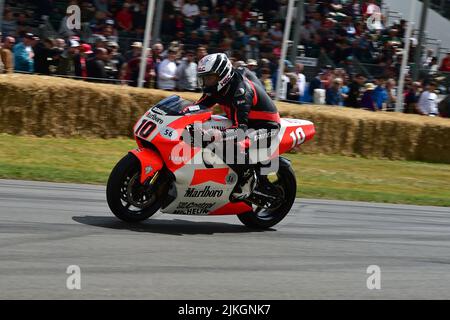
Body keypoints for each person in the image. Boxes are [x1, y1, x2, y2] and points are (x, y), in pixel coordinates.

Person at [194, 53, 281, 200]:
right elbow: (197, 108)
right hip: (243, 122)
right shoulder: (216, 87)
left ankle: (247, 179)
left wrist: (216, 135)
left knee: (226, 143)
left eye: (209, 78)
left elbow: (240, 130)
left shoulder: (241, 92)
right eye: (204, 78)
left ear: (222, 76)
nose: (206, 82)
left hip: (265, 126)